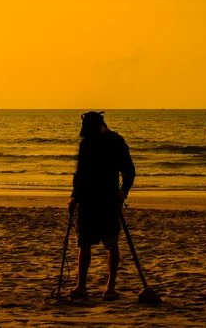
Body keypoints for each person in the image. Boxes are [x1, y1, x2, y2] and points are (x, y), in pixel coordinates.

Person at [68, 111, 135, 301]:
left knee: (111, 242)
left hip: (108, 200)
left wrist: (123, 192)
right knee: (84, 243)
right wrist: (74, 196)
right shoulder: (86, 143)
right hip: (87, 200)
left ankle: (110, 287)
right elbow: (79, 174)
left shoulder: (116, 141)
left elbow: (129, 170)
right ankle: (81, 286)